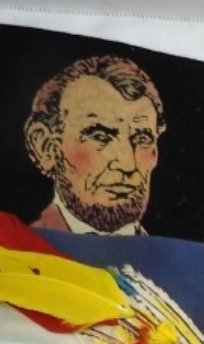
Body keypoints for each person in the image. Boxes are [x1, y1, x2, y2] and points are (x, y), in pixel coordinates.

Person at [24, 56, 164, 235]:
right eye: (100, 137)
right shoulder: (20, 248)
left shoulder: (166, 252)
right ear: (45, 147)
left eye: (142, 139)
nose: (127, 165)